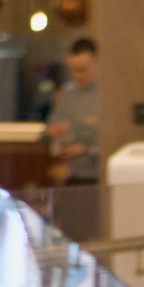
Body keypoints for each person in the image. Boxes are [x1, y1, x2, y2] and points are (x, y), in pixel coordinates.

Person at [44, 38, 100, 185]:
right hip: (71, 175)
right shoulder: (66, 95)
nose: (77, 76)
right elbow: (47, 135)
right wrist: (52, 133)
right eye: (72, 71)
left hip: (99, 176)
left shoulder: (108, 96)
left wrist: (86, 149)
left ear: (97, 64)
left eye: (82, 70)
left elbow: (115, 141)